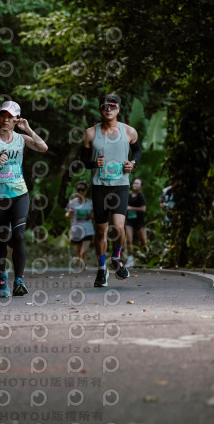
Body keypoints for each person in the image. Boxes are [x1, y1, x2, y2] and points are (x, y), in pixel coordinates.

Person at [0, 101, 48, 297]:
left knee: (18, 237)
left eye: (10, 116)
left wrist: (28, 128)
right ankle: (2, 278)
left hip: (19, 194)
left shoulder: (21, 139)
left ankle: (19, 281)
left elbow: (43, 148)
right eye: (3, 115)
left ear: (17, 119)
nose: (5, 119)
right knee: (1, 239)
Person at [80, 93, 142, 287]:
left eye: (112, 106)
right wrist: (94, 164)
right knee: (101, 231)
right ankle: (101, 269)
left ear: (118, 109)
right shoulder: (91, 133)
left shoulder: (129, 131)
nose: (109, 109)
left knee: (118, 227)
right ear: (100, 109)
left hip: (120, 185)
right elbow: (83, 160)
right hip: (100, 187)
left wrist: (132, 163)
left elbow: (138, 151)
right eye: (105, 106)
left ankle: (116, 257)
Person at [65, 181, 94, 263]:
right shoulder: (72, 203)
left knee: (83, 251)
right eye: (78, 190)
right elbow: (67, 215)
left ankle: (81, 261)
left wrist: (90, 215)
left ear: (86, 191)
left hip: (88, 230)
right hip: (76, 229)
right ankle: (82, 263)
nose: (81, 192)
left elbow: (94, 216)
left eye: (83, 190)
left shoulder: (90, 203)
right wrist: (69, 214)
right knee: (79, 250)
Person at [125, 178, 147, 268]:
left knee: (143, 241)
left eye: (138, 183)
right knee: (129, 240)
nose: (135, 184)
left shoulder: (141, 196)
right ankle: (130, 259)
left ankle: (145, 257)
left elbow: (143, 209)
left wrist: (131, 208)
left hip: (139, 222)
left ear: (141, 186)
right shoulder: (128, 195)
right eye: (134, 183)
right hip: (129, 221)